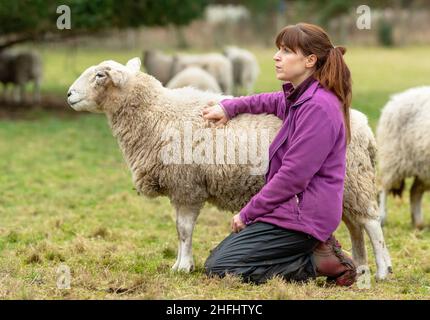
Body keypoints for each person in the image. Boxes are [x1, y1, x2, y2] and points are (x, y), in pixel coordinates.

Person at [202, 23, 357, 286]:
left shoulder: (318, 108)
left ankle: (320, 262)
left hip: (304, 218)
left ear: (309, 60)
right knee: (221, 259)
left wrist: (247, 213)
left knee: (222, 267)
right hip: (288, 212)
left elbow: (293, 177)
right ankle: (314, 249)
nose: (277, 56)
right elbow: (270, 101)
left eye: (286, 51)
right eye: (278, 50)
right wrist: (228, 107)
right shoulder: (302, 97)